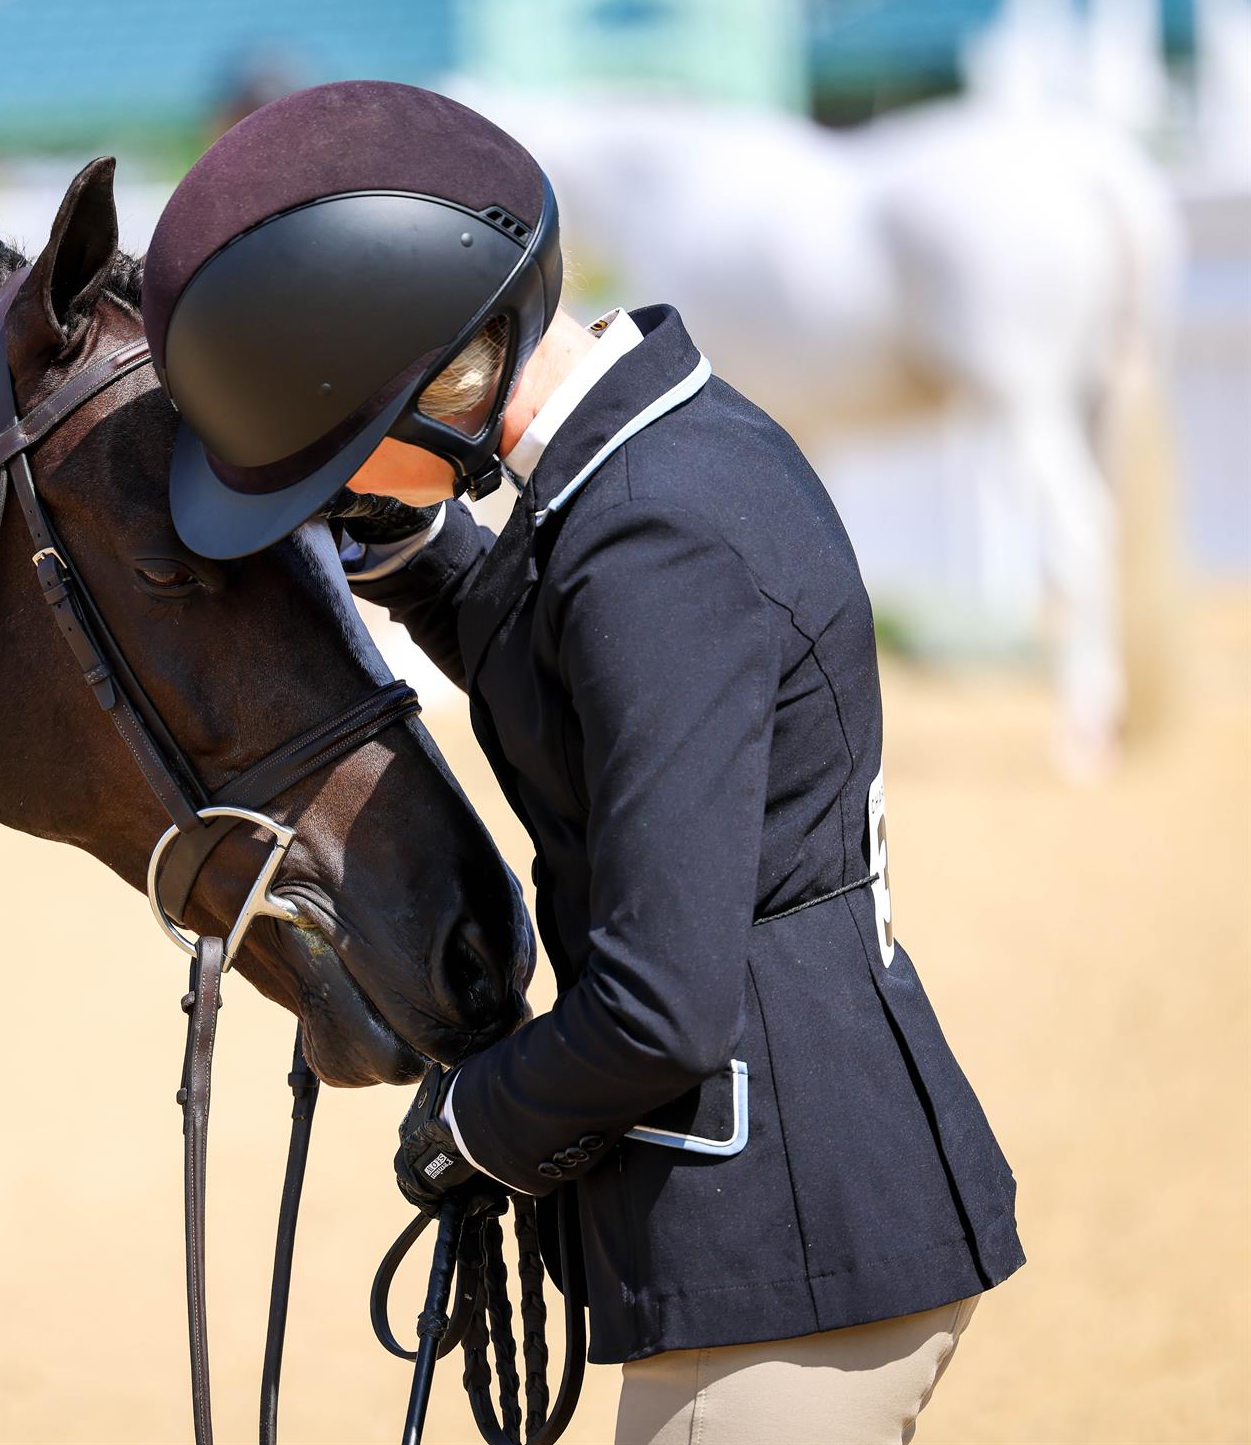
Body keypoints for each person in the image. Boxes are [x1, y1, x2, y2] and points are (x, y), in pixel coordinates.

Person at [139, 81, 1022, 1444]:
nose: (339, 493)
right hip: (789, 1221)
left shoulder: (656, 543)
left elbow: (659, 1006)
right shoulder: (659, 457)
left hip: (782, 1256)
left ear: (432, 392)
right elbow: (587, 685)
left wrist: (476, 1124)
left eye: (340, 460)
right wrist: (422, 560)